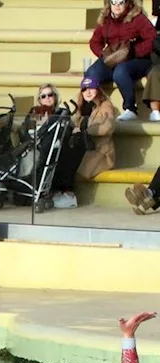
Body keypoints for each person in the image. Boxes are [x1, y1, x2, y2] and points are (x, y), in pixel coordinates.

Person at [51, 77, 117, 209]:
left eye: (91, 88)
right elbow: (74, 123)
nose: (88, 92)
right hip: (84, 146)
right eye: (84, 89)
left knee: (71, 154)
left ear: (98, 90)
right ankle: (59, 191)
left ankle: (69, 195)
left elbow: (108, 127)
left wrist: (85, 130)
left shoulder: (106, 106)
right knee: (62, 151)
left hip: (100, 151)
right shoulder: (80, 106)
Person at [86, 0, 154, 121]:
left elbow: (152, 40)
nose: (116, 5)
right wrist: (103, 54)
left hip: (137, 58)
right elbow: (94, 42)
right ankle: (94, 108)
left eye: (120, 2)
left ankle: (130, 108)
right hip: (113, 57)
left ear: (128, 3)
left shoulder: (138, 19)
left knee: (120, 71)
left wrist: (134, 51)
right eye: (113, 2)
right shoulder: (105, 19)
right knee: (91, 73)